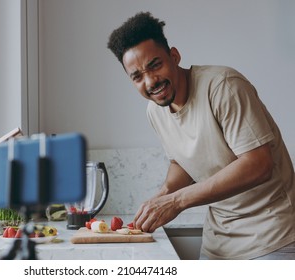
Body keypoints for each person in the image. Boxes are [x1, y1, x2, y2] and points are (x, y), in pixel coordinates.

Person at [107, 11, 295, 260]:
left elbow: (259, 164)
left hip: (272, 238)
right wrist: (164, 195)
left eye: (155, 65)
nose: (151, 81)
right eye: (138, 76)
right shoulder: (156, 111)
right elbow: (182, 161)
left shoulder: (224, 86)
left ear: (174, 56)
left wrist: (176, 202)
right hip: (218, 243)